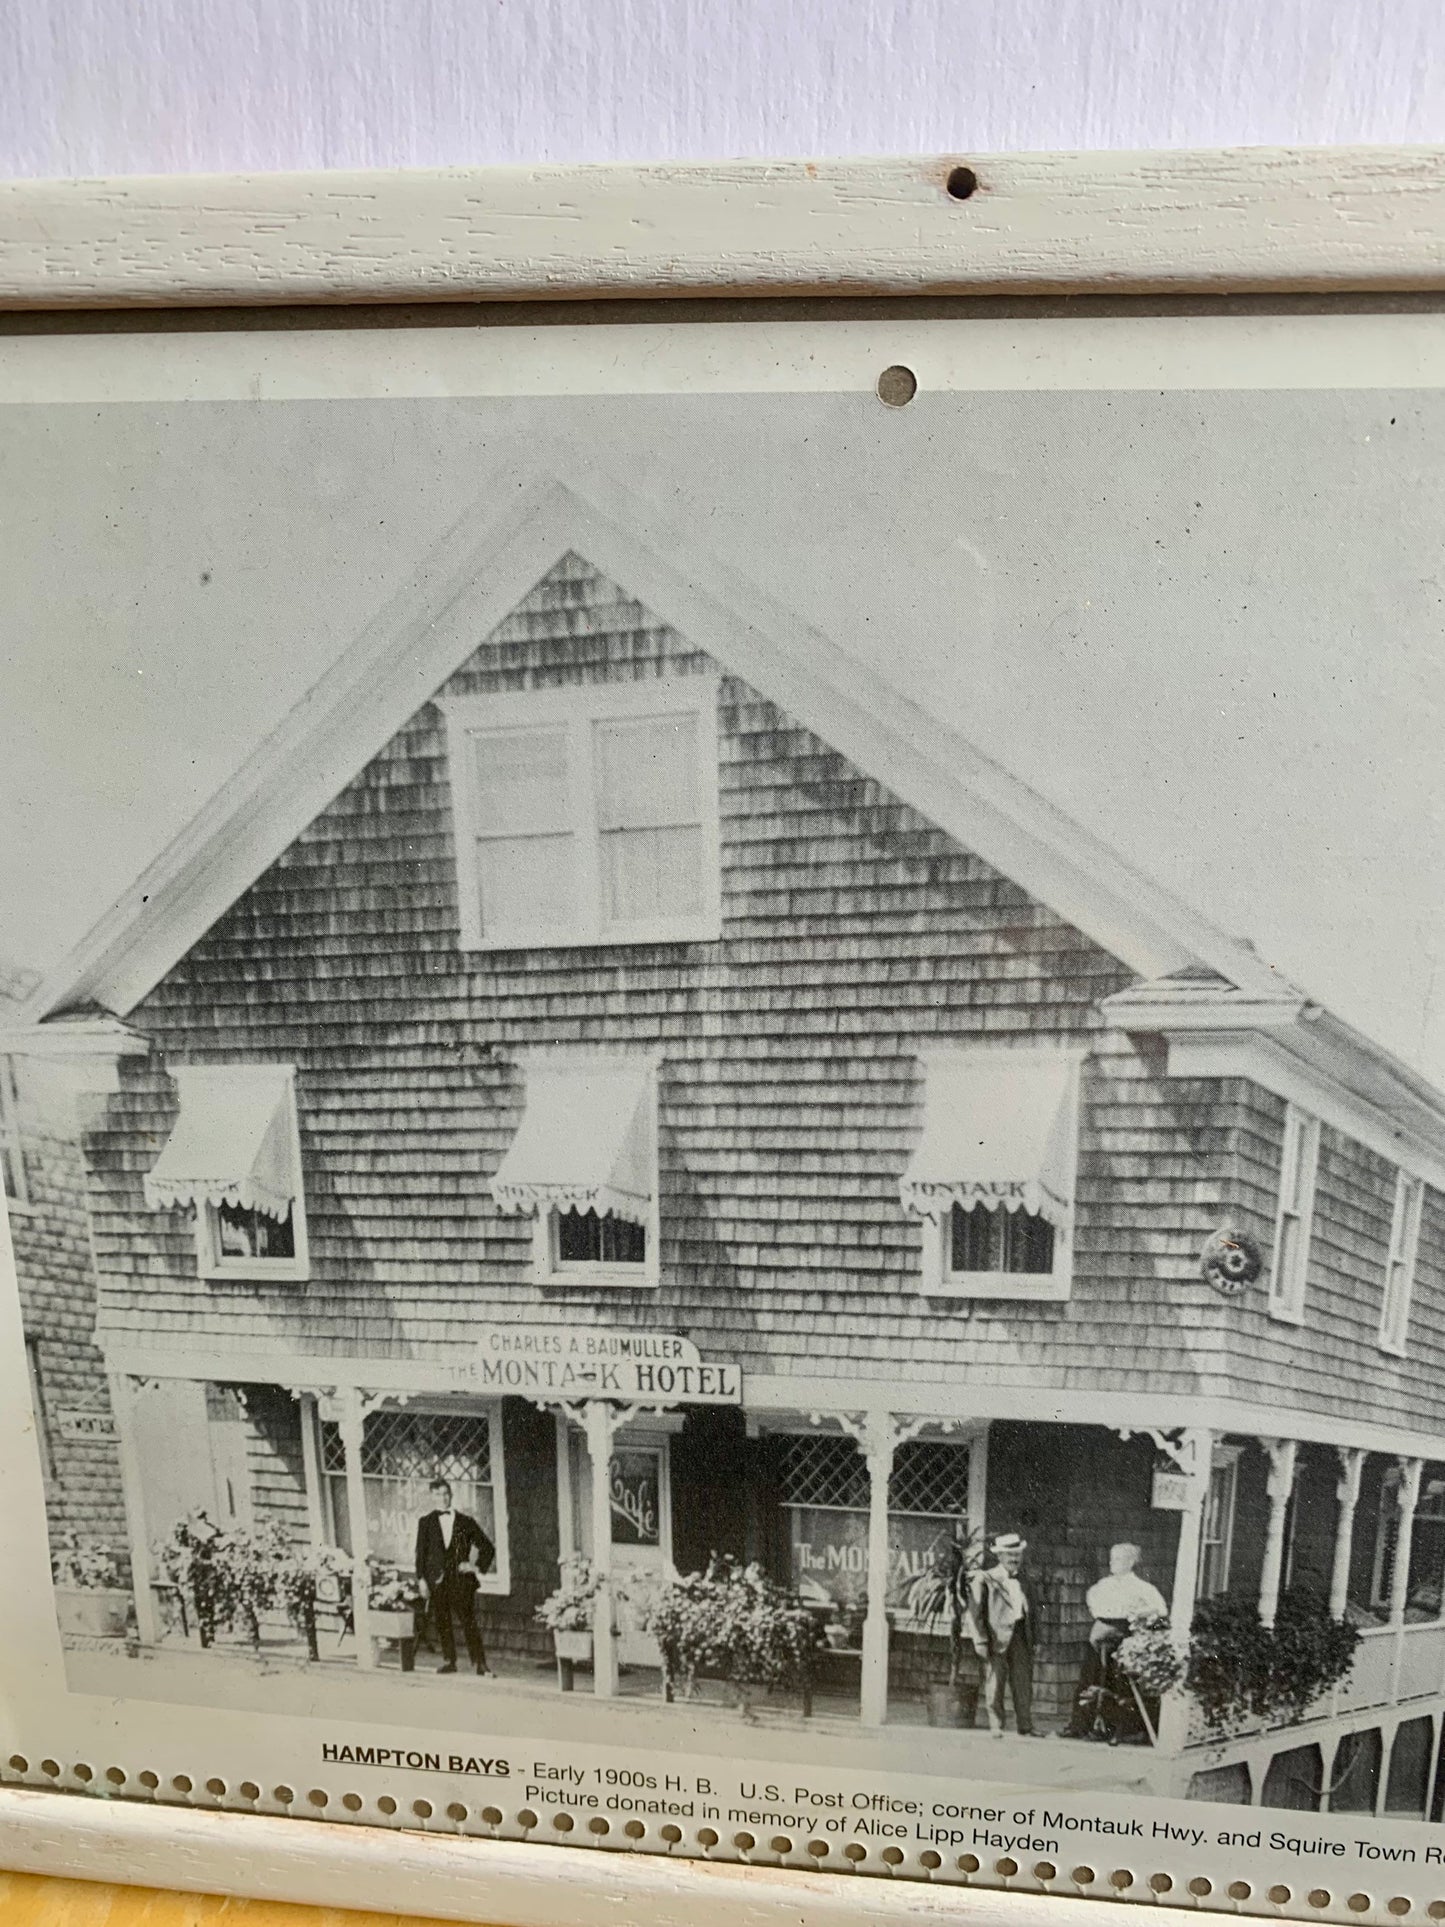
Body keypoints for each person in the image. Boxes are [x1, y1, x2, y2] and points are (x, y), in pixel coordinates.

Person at [1064, 1542, 1167, 1741]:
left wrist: (1138, 1615)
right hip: (1100, 1636)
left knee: (1120, 1683)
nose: (1112, 1562)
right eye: (1111, 1558)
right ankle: (1082, 1725)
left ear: (1130, 1562)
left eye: (1118, 1558)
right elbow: (1093, 1602)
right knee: (1090, 1679)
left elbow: (1160, 1610)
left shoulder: (1143, 1588)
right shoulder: (1103, 1586)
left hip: (1126, 1638)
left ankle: (1117, 1728)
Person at [414, 1478, 495, 1676]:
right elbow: (420, 1554)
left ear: (451, 1495)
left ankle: (480, 1664)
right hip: (437, 1581)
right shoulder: (425, 1522)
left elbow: (487, 1547)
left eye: (446, 1494)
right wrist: (421, 1580)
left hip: (460, 1581)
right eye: (438, 1495)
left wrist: (474, 1566)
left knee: (469, 1622)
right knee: (443, 1622)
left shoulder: (465, 1522)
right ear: (432, 1497)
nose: (443, 1498)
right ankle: (450, 1661)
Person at [970, 1532, 1040, 1737]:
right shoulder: (986, 1578)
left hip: (1020, 1635)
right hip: (995, 1637)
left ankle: (1025, 1726)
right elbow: (975, 1614)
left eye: (1017, 1554)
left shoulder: (1026, 1580)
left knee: (1023, 1682)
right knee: (995, 1682)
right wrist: (980, 1640)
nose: (1014, 1559)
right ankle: (996, 1725)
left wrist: (1035, 1638)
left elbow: (1033, 1612)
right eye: (1009, 1555)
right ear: (999, 1556)